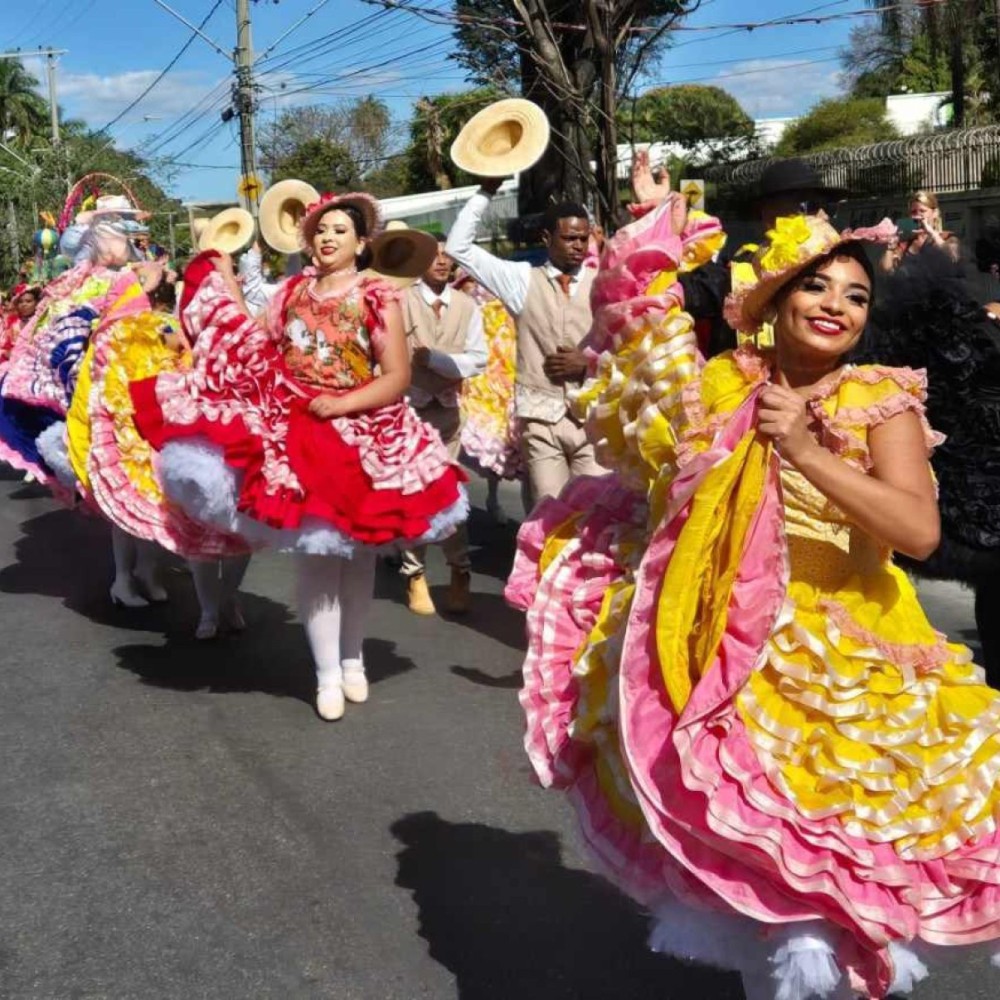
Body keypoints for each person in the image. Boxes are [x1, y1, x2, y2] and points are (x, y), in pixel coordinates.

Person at [507, 159, 1000, 997]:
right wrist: (655, 223)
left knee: (838, 873)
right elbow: (637, 355)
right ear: (774, 304)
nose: (836, 307)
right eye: (817, 288)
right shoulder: (723, 383)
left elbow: (917, 530)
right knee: (762, 874)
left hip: (849, 649)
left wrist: (806, 450)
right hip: (728, 639)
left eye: (855, 296)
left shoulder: (883, 400)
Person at [128, 192, 468, 721]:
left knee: (357, 559)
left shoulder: (379, 295)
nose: (328, 238)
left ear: (361, 242)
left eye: (339, 230)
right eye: (320, 230)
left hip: (365, 433)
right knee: (318, 558)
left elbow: (397, 377)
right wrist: (222, 285)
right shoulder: (289, 292)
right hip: (298, 433)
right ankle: (326, 674)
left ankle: (353, 660)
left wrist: (343, 403)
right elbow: (254, 347)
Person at [446, 180, 604, 507]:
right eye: (569, 238)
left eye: (583, 238)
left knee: (597, 516)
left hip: (594, 419)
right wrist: (486, 191)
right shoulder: (520, 279)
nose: (578, 246)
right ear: (547, 239)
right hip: (541, 420)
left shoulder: (603, 283)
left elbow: (630, 349)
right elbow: (458, 248)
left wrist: (589, 364)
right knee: (551, 514)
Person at [676, 155, 847, 357]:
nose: (822, 215)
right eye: (807, 206)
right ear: (768, 215)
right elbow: (666, 292)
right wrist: (657, 229)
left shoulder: (846, 277)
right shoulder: (731, 280)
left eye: (828, 207)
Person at [399, 240, 486, 616]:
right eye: (433, 255)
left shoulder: (467, 306)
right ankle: (414, 573)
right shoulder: (399, 301)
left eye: (447, 255)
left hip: (448, 413)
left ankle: (459, 569)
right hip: (408, 412)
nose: (441, 261)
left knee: (449, 493)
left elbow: (477, 359)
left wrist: (435, 360)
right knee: (411, 493)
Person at [881, 189, 961, 272]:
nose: (917, 216)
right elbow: (885, 269)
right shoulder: (905, 243)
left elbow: (953, 258)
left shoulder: (947, 237)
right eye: (913, 212)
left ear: (934, 213)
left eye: (922, 211)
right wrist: (890, 247)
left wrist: (931, 232)